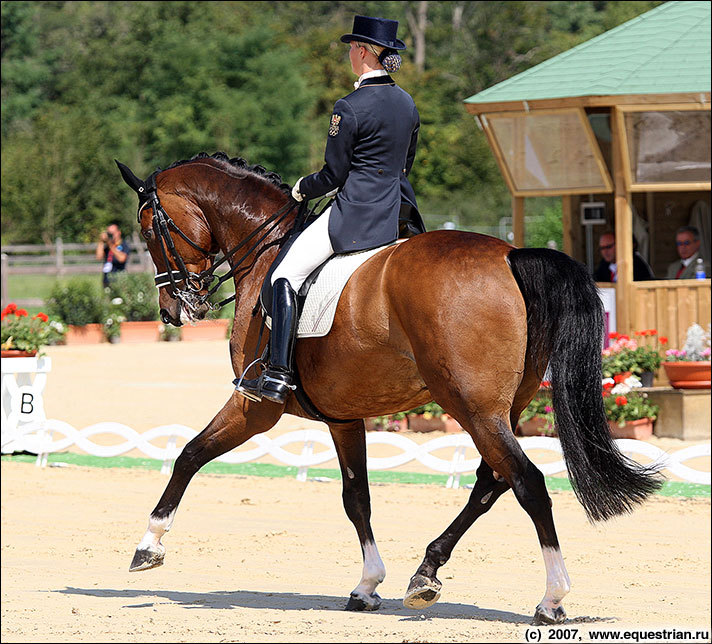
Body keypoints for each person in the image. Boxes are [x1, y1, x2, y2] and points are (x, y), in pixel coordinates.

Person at [239, 14, 425, 405]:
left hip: (356, 214)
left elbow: (335, 174)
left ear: (360, 52)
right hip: (397, 212)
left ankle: (277, 373)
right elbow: (404, 165)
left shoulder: (350, 107)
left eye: (350, 50)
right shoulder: (407, 103)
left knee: (283, 276)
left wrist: (302, 188)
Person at [95, 221, 130, 287]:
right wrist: (101, 241)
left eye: (113, 233)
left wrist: (109, 244)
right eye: (109, 233)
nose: (111, 235)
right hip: (106, 279)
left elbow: (122, 258)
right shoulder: (107, 246)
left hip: (119, 278)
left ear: (118, 232)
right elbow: (98, 257)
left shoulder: (123, 245)